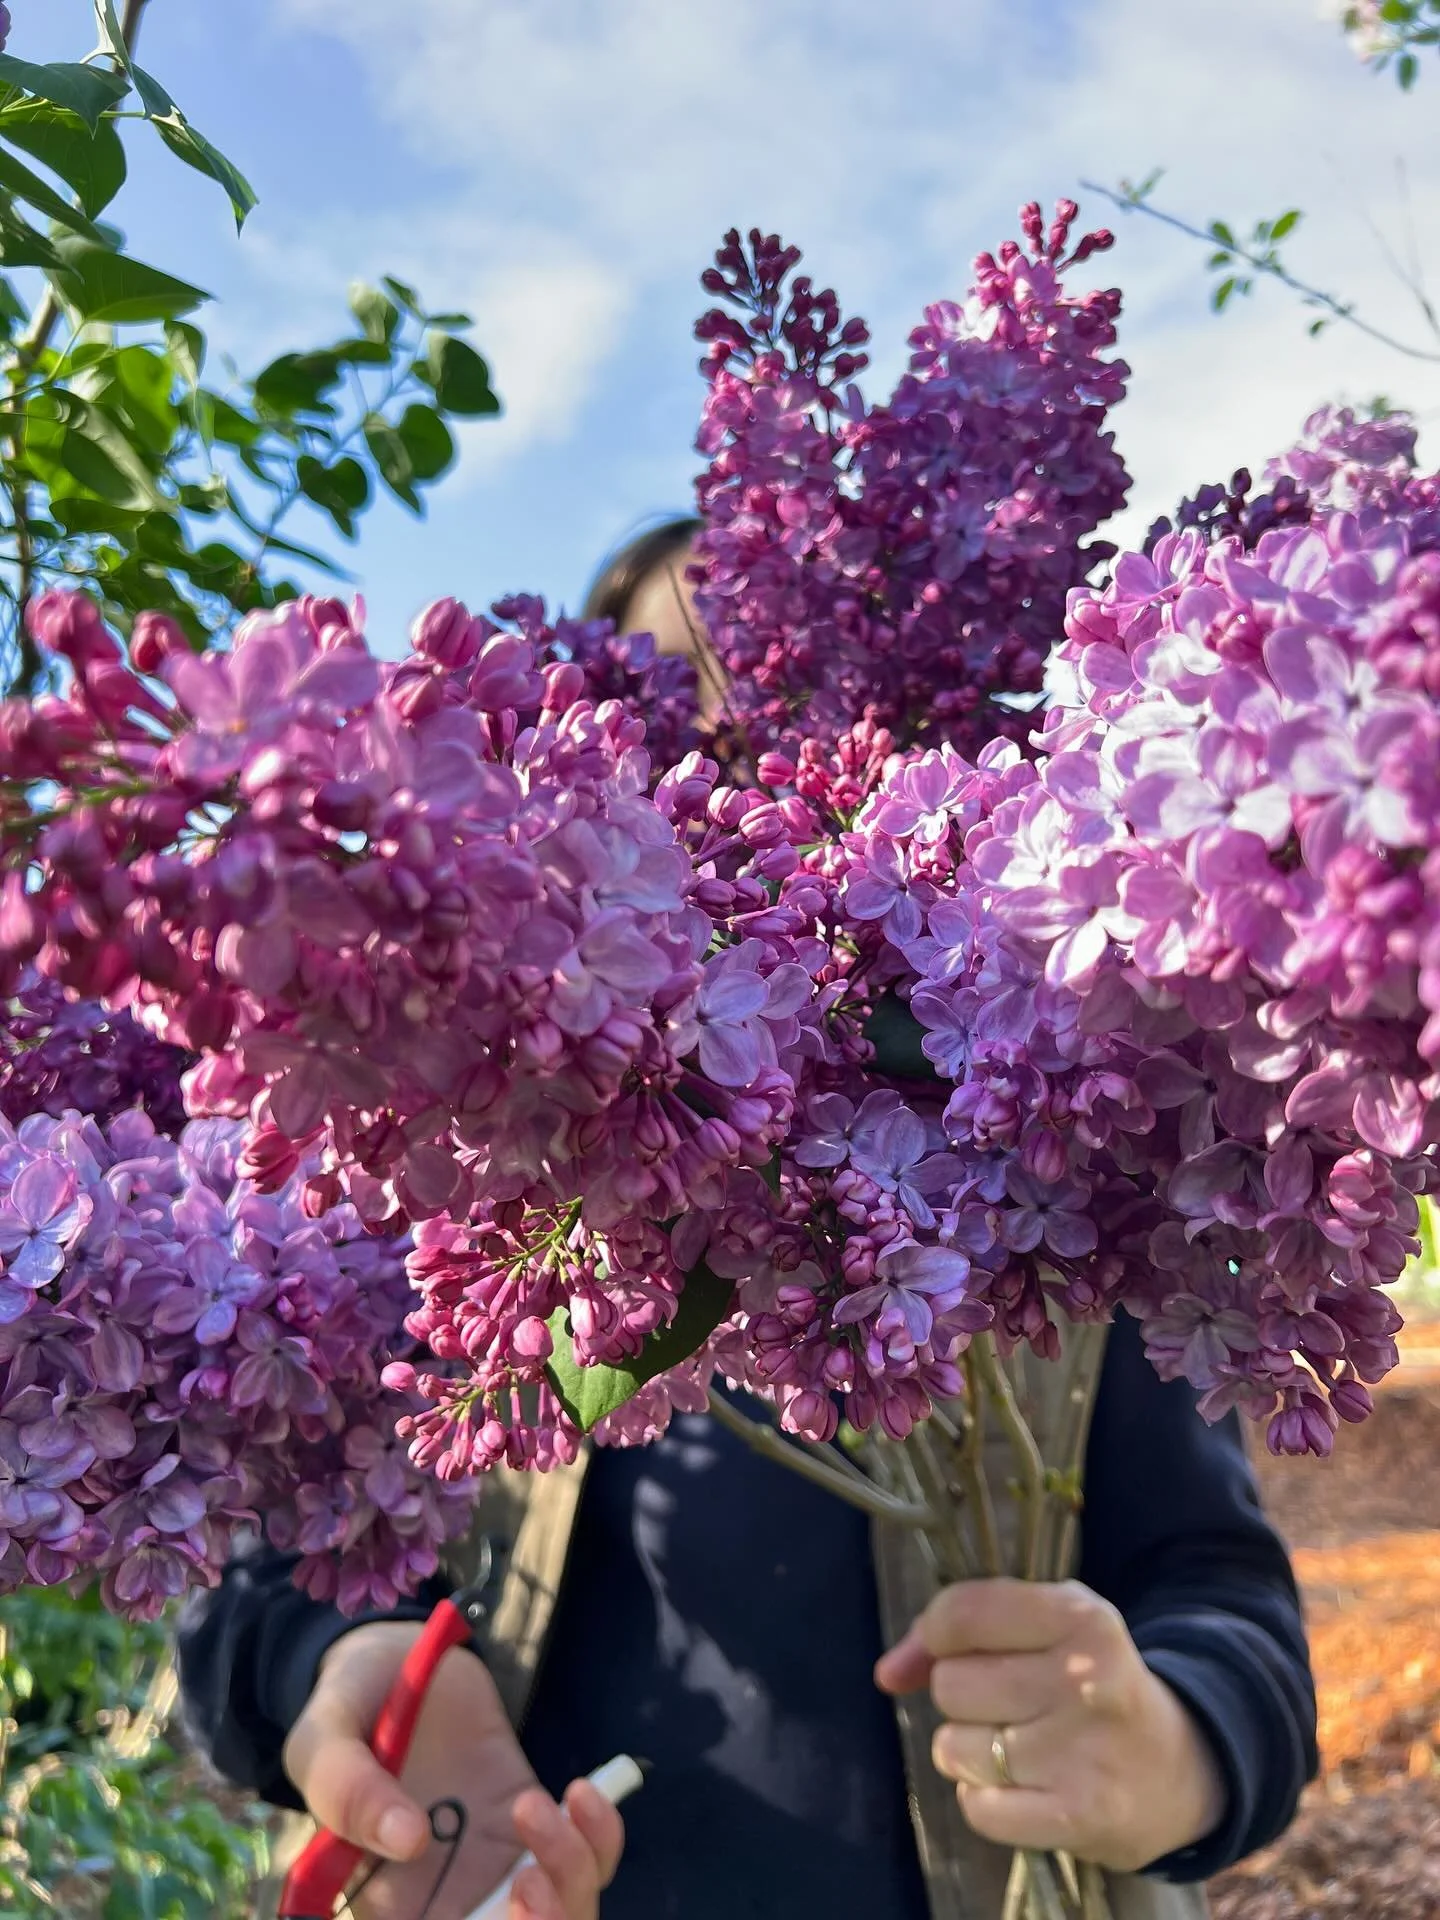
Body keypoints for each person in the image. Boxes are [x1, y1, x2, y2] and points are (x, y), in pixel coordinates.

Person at [176, 518, 1318, 1920]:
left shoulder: (1065, 1154)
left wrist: (1181, 1744)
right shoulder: (451, 1186)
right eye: (668, 704)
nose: (725, 739)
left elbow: (1226, 1597)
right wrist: (337, 1675)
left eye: (768, 685)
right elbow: (258, 1578)